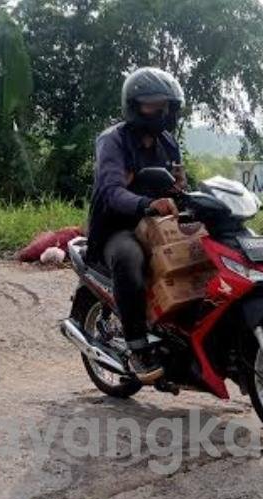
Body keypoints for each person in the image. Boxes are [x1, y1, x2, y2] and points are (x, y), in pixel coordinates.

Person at [87, 67, 187, 385]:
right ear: (134, 105)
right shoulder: (112, 141)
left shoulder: (168, 143)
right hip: (118, 228)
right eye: (153, 105)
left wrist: (186, 195)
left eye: (166, 105)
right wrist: (145, 204)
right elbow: (110, 192)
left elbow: (179, 185)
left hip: (158, 225)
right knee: (130, 260)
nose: (162, 112)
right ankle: (137, 348)